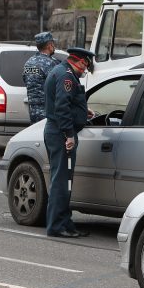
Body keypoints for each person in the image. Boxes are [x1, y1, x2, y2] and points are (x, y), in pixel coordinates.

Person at [43, 47, 95, 238]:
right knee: (61, 182)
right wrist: (69, 135)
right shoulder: (66, 76)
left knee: (66, 181)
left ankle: (65, 221)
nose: (85, 71)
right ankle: (57, 225)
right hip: (61, 133)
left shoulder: (62, 72)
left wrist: (83, 112)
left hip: (59, 131)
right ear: (81, 61)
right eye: (85, 66)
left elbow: (67, 102)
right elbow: (61, 107)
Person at [23, 31, 60, 123]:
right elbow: (58, 85)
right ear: (49, 45)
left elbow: (25, 80)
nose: (54, 46)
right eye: (53, 44)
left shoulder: (29, 62)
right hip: (48, 111)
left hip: (33, 111)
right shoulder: (51, 63)